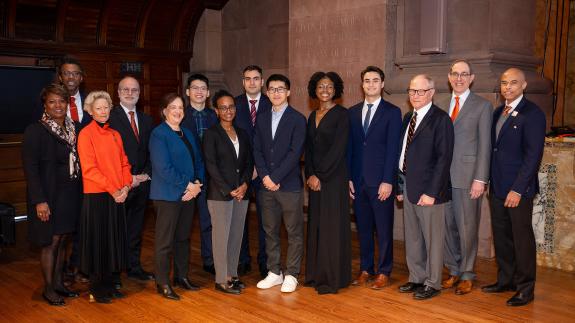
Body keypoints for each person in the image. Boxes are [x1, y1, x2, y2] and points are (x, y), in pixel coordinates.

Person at [482, 68, 545, 307]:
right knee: (502, 238)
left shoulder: (533, 113)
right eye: (504, 82)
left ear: (524, 85)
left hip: (518, 190)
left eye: (513, 83)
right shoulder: (499, 111)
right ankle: (505, 280)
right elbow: (494, 151)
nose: (507, 87)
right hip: (497, 187)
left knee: (521, 239)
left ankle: (525, 288)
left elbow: (533, 156)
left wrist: (518, 189)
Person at [22, 83, 82, 306]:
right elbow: (31, 169)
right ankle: (48, 289)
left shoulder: (74, 127)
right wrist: (40, 201)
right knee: (51, 242)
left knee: (64, 239)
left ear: (68, 103)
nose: (58, 105)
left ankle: (59, 283)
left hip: (70, 193)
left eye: (62, 101)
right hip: (49, 195)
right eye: (52, 101)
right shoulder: (35, 131)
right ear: (45, 105)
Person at [437, 60, 492, 295]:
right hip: (441, 178)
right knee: (447, 227)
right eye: (455, 74)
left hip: (468, 177)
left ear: (471, 78)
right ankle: (453, 270)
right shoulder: (438, 104)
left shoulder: (482, 106)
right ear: (449, 77)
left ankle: (468, 273)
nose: (459, 78)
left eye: (464, 74)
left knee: (467, 226)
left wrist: (481, 178)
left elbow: (485, 145)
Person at [397, 75, 454, 300]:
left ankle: (433, 283)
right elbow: (402, 154)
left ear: (431, 92)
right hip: (409, 186)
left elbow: (443, 159)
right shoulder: (407, 117)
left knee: (433, 240)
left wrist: (431, 192)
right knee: (413, 238)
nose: (415, 96)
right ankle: (416, 278)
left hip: (429, 192)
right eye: (412, 91)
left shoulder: (441, 119)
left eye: (420, 91)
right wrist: (400, 187)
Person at [348, 66, 402, 290]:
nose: (370, 84)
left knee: (383, 228)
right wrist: (349, 178)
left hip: (381, 182)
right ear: (362, 85)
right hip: (358, 181)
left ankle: (384, 271)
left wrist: (388, 180)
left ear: (382, 84)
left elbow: (393, 149)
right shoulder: (352, 112)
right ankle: (366, 269)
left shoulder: (392, 111)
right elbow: (351, 148)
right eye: (367, 81)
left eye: (375, 80)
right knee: (363, 229)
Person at [77, 91, 132, 304]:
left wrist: (126, 186)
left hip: (118, 194)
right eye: (98, 108)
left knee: (113, 241)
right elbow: (89, 170)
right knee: (99, 243)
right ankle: (98, 289)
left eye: (106, 107)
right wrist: (114, 190)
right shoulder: (86, 134)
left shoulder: (115, 134)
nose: (102, 111)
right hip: (98, 195)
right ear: (90, 111)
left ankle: (110, 285)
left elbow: (124, 163)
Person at [253, 74, 306, 293]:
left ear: (288, 92)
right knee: (270, 230)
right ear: (267, 93)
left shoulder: (298, 119)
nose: (276, 93)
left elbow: (295, 153)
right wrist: (265, 175)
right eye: (272, 89)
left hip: (289, 185)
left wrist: (275, 177)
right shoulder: (262, 118)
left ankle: (292, 273)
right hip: (266, 186)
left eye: (280, 89)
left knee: (293, 232)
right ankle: (274, 272)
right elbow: (257, 149)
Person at [149, 93, 205, 301]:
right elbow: (163, 168)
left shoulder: (188, 133)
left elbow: (198, 160)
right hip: (168, 196)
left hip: (189, 195)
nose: (178, 111)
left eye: (181, 107)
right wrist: (188, 185)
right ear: (164, 110)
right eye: (173, 107)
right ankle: (162, 282)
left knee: (183, 238)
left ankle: (181, 277)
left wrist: (197, 184)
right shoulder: (158, 134)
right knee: (164, 242)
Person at [304, 71, 351, 294]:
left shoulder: (343, 115)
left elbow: (338, 150)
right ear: (315, 89)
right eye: (321, 86)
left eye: (329, 86)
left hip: (333, 179)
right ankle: (314, 275)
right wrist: (310, 175)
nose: (325, 90)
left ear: (336, 90)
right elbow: (309, 150)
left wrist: (320, 175)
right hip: (315, 180)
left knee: (332, 228)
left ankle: (331, 278)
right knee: (316, 226)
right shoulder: (311, 116)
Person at [203, 90, 254, 295]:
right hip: (220, 194)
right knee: (221, 237)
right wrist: (228, 189)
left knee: (235, 237)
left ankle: (232, 275)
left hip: (241, 193)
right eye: (223, 107)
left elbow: (249, 163)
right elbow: (211, 165)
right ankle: (221, 279)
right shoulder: (211, 134)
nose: (228, 111)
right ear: (216, 110)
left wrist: (244, 185)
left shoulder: (242, 133)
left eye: (231, 107)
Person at [108, 76, 155, 283]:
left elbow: (151, 151)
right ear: (117, 93)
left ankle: (134, 267)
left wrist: (145, 175)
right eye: (125, 90)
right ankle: (114, 273)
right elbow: (108, 155)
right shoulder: (108, 118)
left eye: (134, 90)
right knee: (116, 231)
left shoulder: (147, 120)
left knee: (136, 229)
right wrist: (129, 178)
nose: (129, 93)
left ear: (139, 93)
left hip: (142, 184)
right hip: (119, 186)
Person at [234, 65, 272, 278]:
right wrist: (249, 167)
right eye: (247, 79)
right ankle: (242, 260)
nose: (252, 82)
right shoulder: (235, 104)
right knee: (241, 218)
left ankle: (265, 262)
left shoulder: (271, 103)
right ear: (243, 82)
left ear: (262, 81)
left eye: (256, 78)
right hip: (241, 170)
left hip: (266, 170)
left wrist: (260, 167)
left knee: (266, 219)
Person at [58, 57, 91, 285]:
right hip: (60, 175)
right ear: (61, 77)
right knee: (62, 226)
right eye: (67, 74)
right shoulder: (53, 103)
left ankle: (77, 266)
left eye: (75, 74)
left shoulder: (90, 103)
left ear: (81, 77)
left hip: (87, 172)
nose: (71, 77)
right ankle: (58, 272)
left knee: (83, 222)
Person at [181, 73, 216, 275]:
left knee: (208, 221)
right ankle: (181, 266)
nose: (199, 91)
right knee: (183, 223)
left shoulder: (215, 116)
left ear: (208, 92)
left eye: (203, 88)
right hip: (186, 178)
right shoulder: (181, 115)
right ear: (188, 92)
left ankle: (209, 259)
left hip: (210, 178)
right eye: (195, 88)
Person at [58, 57, 92, 127]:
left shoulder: (92, 101)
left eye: (76, 73)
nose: (71, 77)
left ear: (81, 78)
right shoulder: (51, 103)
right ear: (60, 78)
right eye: (66, 73)